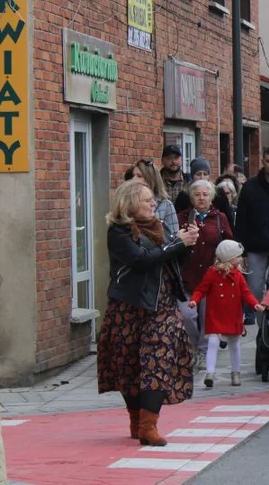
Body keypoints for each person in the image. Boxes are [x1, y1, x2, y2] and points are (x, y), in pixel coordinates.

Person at [97, 179, 199, 447]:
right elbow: (141, 260)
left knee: (159, 360)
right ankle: (136, 419)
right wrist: (177, 244)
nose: (153, 203)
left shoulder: (161, 227)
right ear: (130, 204)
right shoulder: (118, 232)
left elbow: (173, 261)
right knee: (128, 364)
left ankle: (149, 425)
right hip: (128, 306)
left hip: (162, 307)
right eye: (146, 200)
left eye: (152, 199)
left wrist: (186, 244)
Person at [187, 240, 261, 388]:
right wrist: (194, 300)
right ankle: (210, 373)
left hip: (233, 314)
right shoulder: (212, 273)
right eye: (237, 256)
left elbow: (246, 293)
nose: (240, 259)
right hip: (215, 314)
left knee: (234, 344)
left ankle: (236, 372)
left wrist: (255, 304)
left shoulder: (238, 275)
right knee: (213, 342)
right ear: (228, 258)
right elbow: (201, 289)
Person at [177, 180, 233, 355]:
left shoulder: (219, 218)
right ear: (191, 197)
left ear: (211, 197)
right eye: (197, 194)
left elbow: (229, 243)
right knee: (187, 316)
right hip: (187, 275)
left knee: (208, 317)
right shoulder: (182, 218)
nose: (201, 198)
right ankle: (192, 346)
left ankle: (203, 351)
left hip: (211, 276)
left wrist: (225, 262)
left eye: (205, 194)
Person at [236, 147, 269, 301]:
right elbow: (241, 220)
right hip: (255, 248)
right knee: (255, 291)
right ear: (262, 161)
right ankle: (260, 324)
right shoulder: (250, 186)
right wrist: (241, 251)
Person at [130, 160, 180, 237]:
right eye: (133, 175)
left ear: (150, 179)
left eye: (139, 176)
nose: (134, 180)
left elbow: (174, 238)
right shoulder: (128, 202)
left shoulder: (165, 205)